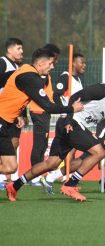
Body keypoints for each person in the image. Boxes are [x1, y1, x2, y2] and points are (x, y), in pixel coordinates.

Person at [5, 70, 105, 202]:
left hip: (72, 125)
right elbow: (74, 98)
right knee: (99, 152)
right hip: (72, 123)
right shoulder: (102, 89)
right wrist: (68, 120)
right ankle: (70, 185)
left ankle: (14, 185)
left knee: (51, 164)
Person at [1, 48, 83, 200]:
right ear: (40, 63)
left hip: (6, 124)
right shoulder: (29, 77)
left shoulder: (24, 71)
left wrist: (19, 114)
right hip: (1, 121)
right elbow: (49, 106)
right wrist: (72, 108)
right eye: (51, 64)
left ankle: (12, 186)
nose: (52, 67)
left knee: (10, 167)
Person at [39, 52, 86, 186]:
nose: (84, 65)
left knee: (71, 152)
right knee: (63, 156)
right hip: (67, 120)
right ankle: (54, 177)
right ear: (73, 64)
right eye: (81, 62)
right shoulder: (66, 77)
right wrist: (65, 112)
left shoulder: (77, 80)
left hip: (75, 120)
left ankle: (56, 177)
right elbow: (56, 95)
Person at [28, 44, 61, 186]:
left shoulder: (46, 74)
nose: (55, 63)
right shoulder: (40, 75)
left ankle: (37, 174)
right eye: (54, 59)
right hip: (39, 111)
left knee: (41, 145)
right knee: (39, 144)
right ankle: (34, 176)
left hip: (43, 111)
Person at [0, 37, 25, 189]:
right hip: (2, 113)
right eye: (18, 48)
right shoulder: (2, 63)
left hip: (12, 114)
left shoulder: (16, 68)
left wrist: (21, 114)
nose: (22, 52)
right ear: (9, 50)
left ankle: (5, 178)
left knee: (14, 143)